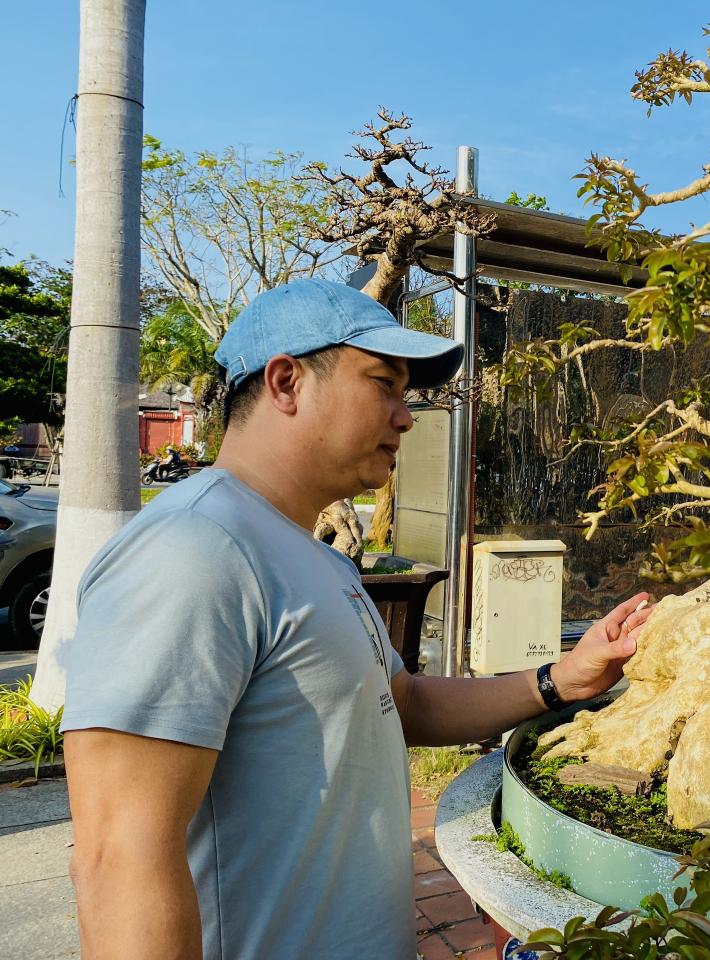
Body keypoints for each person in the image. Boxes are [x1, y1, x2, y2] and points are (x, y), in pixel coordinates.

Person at [61, 278, 654, 960]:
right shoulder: (195, 549)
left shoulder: (314, 554)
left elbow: (400, 703)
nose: (406, 416)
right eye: (383, 383)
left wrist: (560, 680)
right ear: (286, 383)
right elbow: (119, 855)